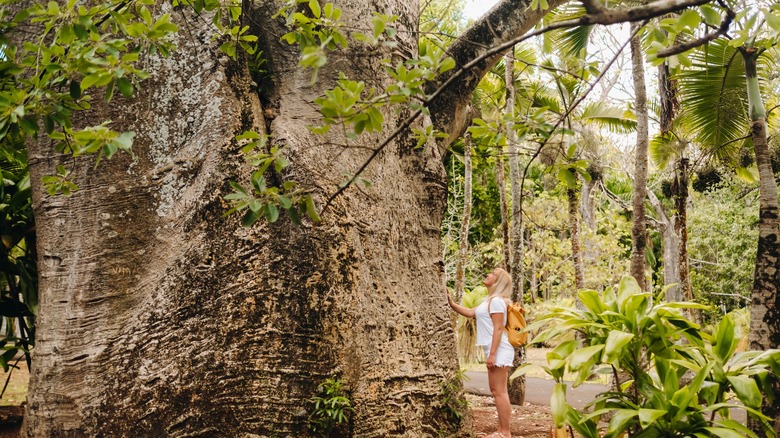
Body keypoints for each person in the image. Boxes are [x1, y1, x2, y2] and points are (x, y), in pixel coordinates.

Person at [448, 267, 514, 438]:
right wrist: (452, 304)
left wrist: (492, 354)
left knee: (499, 391)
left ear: (498, 282)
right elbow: (471, 313)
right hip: (494, 349)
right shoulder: (488, 300)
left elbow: (498, 329)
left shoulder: (498, 301)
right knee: (496, 390)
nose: (488, 274)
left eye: (493, 274)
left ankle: (505, 432)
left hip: (499, 350)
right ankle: (501, 430)